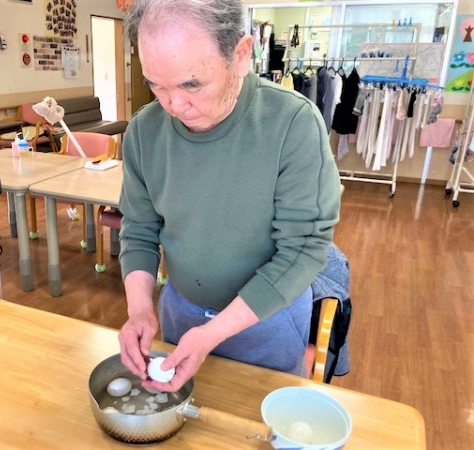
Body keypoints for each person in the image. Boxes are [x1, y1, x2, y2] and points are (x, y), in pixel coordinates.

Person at [118, 0, 341, 393]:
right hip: (181, 310)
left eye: (191, 84)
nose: (173, 105)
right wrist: (139, 310)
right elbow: (139, 230)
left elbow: (302, 251)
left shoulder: (292, 124)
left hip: (268, 318)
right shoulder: (144, 131)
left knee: (257, 416)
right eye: (155, 84)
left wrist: (213, 333)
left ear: (240, 55)